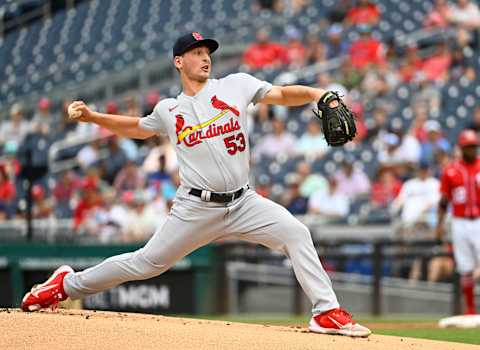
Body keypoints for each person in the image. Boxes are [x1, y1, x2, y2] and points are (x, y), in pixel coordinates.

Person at [21, 32, 370, 337]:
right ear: (178, 61)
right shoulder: (169, 109)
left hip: (243, 202)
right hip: (196, 207)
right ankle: (64, 285)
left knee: (296, 233)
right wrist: (94, 117)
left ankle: (326, 312)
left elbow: (280, 94)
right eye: (196, 53)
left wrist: (315, 93)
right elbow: (137, 128)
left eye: (207, 53)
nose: (205, 58)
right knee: (145, 264)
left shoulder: (236, 85)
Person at [436, 129, 480, 315]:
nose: (471, 150)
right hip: (459, 221)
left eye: (473, 146)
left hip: (479, 220)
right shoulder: (451, 170)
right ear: (462, 148)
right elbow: (444, 201)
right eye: (468, 147)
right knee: (465, 267)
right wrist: (439, 224)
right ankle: (470, 308)